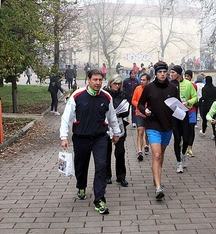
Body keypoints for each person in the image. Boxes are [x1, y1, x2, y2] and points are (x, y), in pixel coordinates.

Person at [60, 69, 121, 215]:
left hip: (100, 138)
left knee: (101, 166)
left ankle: (99, 199)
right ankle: (81, 185)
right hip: (81, 138)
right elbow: (66, 117)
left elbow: (112, 116)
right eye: (95, 80)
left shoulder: (106, 97)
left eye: (100, 80)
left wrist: (116, 132)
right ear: (88, 80)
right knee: (81, 166)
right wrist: (64, 136)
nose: (98, 83)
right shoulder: (77, 96)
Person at [138, 61, 179, 199]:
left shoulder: (172, 88)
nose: (162, 74)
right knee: (156, 155)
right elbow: (140, 104)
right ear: (155, 73)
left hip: (167, 126)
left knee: (160, 155)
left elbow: (177, 107)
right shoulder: (149, 88)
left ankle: (156, 176)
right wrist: (146, 110)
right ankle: (158, 187)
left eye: (164, 72)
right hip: (153, 125)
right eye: (160, 72)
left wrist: (181, 111)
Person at [103, 74, 130, 187]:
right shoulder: (104, 94)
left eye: (119, 84)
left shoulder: (123, 95)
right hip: (106, 124)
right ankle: (107, 175)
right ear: (110, 83)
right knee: (106, 152)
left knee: (120, 152)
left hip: (119, 124)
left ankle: (121, 177)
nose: (117, 86)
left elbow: (127, 111)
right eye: (115, 83)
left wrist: (119, 112)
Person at [170, 65, 198, 173]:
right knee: (177, 139)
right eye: (170, 72)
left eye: (173, 72)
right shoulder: (170, 84)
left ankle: (183, 155)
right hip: (173, 115)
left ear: (178, 73)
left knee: (186, 138)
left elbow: (195, 97)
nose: (171, 74)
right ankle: (179, 163)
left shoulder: (188, 84)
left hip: (184, 113)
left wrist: (188, 102)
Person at [132, 73, 151, 161]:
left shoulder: (151, 89)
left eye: (144, 80)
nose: (142, 82)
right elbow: (133, 100)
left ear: (148, 81)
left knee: (148, 132)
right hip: (139, 113)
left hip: (149, 114)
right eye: (141, 80)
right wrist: (140, 106)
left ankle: (147, 145)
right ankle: (139, 151)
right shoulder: (137, 89)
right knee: (140, 132)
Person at [184, 70, 199, 157]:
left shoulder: (194, 86)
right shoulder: (181, 85)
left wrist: (191, 102)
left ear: (191, 77)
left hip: (191, 110)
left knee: (191, 129)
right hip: (182, 111)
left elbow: (195, 97)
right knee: (183, 129)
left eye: (188, 76)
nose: (186, 78)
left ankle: (190, 147)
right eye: (185, 76)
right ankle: (183, 143)